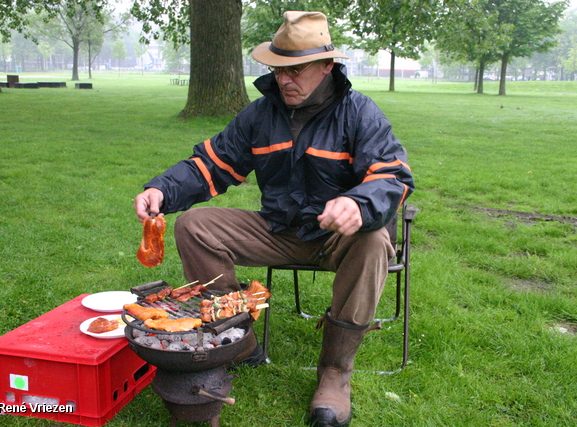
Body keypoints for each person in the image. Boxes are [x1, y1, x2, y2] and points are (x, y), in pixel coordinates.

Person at [134, 10, 414, 427]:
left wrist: (358, 203)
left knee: (375, 241)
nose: (285, 79)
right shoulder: (260, 114)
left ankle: (336, 372)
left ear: (327, 66)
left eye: (296, 69)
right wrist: (163, 189)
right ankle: (240, 341)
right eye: (278, 69)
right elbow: (210, 165)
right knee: (194, 226)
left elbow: (393, 176)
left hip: (341, 237)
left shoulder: (359, 113)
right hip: (280, 230)